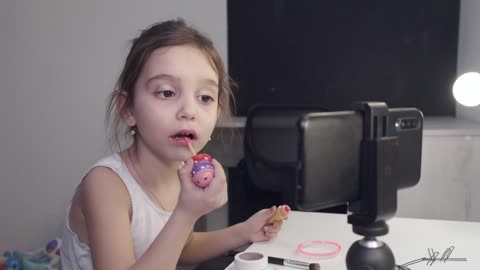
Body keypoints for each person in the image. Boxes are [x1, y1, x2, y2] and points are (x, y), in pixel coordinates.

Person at [60, 18, 283, 270]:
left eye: (205, 97)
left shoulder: (179, 173)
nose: (189, 110)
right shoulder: (105, 185)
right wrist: (186, 213)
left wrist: (243, 232)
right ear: (128, 108)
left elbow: (178, 247)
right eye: (166, 92)